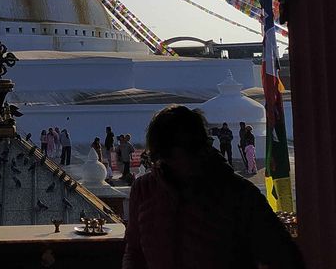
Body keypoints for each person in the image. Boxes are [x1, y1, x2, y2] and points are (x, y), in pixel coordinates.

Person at [123, 105, 303, 269]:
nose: (169, 164)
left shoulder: (238, 195)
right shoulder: (144, 189)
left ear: (199, 147)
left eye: (174, 154)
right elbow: (134, 251)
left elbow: (283, 256)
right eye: (164, 157)